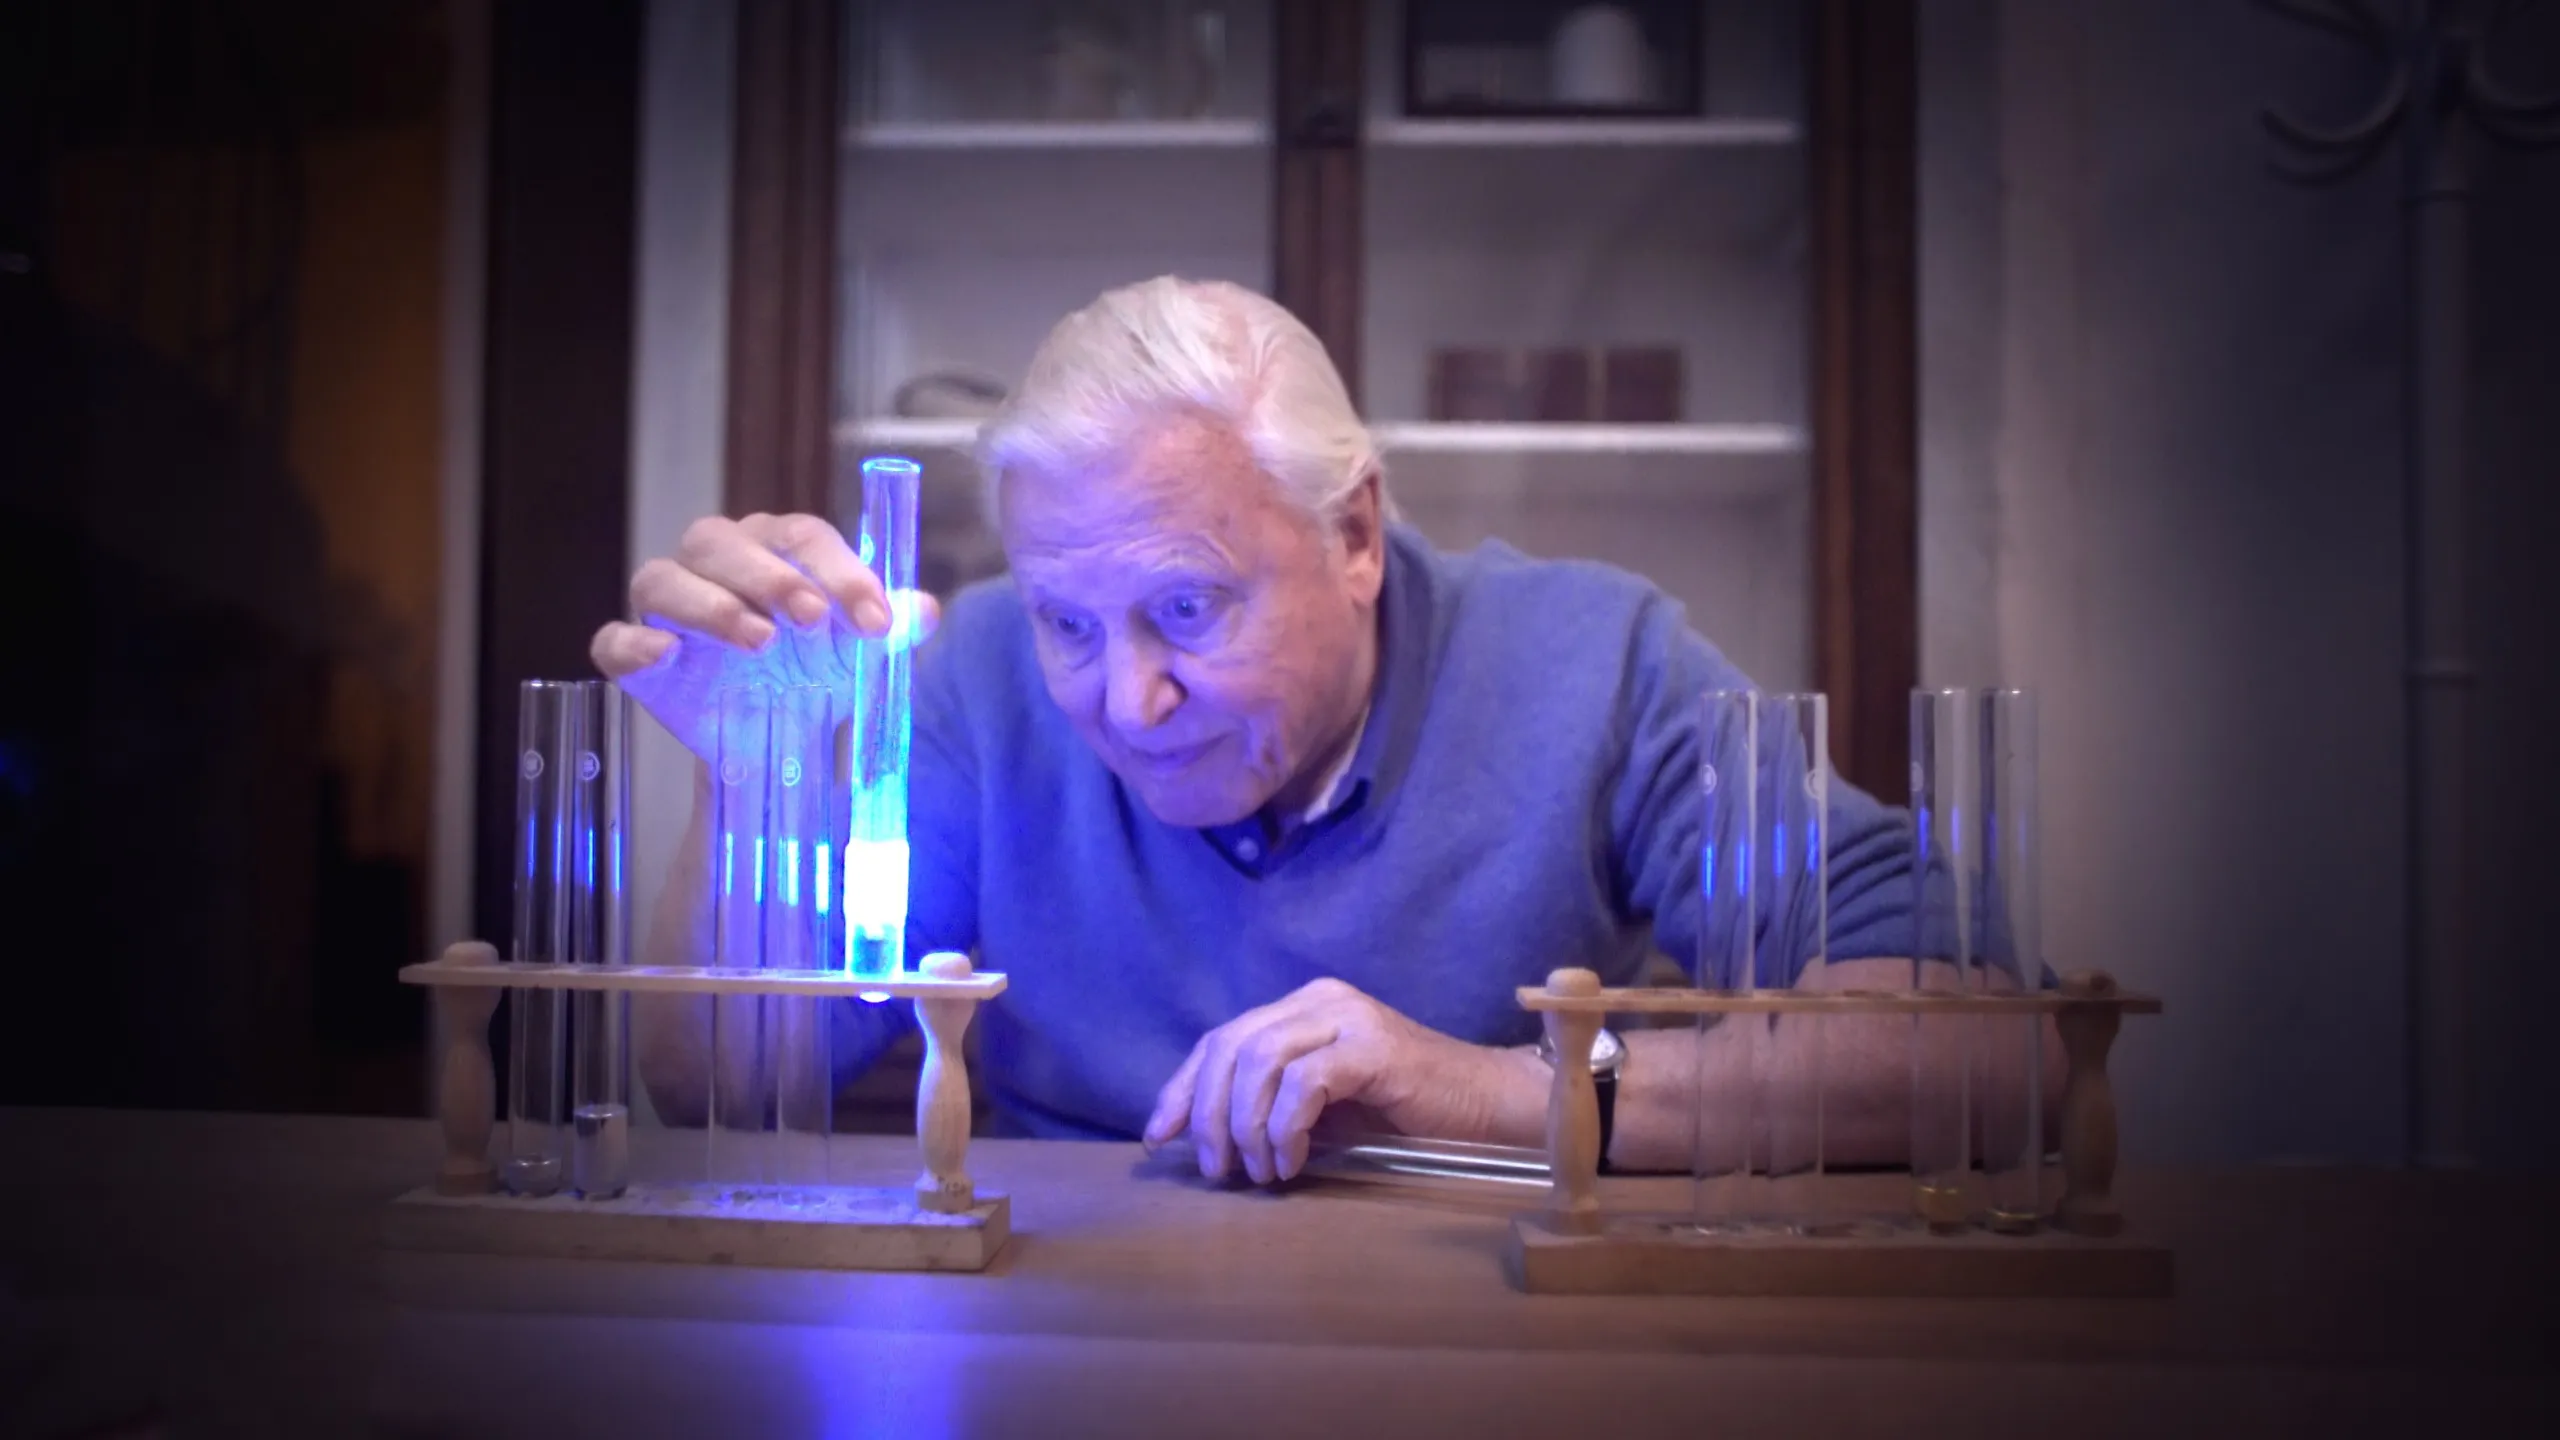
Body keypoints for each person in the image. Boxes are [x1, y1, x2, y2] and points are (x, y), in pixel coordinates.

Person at [594, 276, 2015, 1186]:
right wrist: (754, 785)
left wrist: (1467, 1086)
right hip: (1052, 1338)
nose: (1128, 703)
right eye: (1068, 623)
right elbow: (722, 1082)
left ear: (1354, 534)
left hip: (1484, 1351)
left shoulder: (1597, 665)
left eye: (1189, 612)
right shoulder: (971, 677)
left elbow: (1981, 1061)